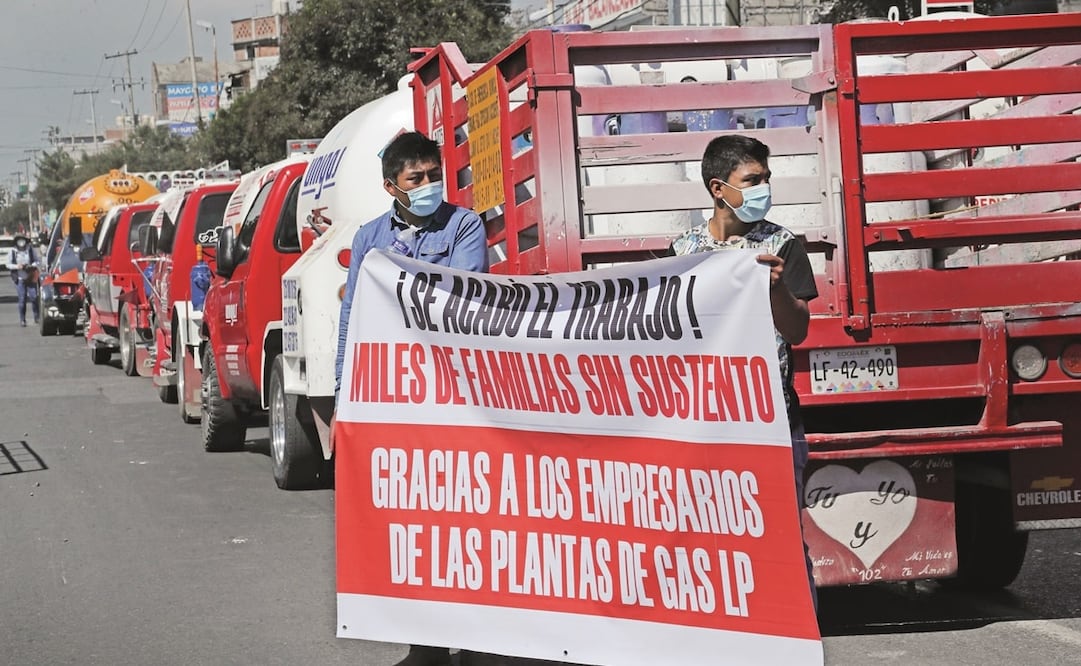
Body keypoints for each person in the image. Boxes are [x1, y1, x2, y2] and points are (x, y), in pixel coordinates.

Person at [333, 130, 489, 666]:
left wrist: (399, 277)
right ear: (390, 186)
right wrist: (341, 399)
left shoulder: (464, 225)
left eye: (432, 175)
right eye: (414, 179)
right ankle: (423, 646)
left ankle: (472, 645)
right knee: (413, 523)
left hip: (456, 396)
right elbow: (354, 315)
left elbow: (460, 296)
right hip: (394, 400)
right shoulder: (369, 238)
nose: (427, 186)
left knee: (466, 523)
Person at [667, 134, 819, 610]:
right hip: (706, 422)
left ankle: (796, 638)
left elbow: (796, 332)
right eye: (752, 180)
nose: (763, 188)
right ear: (718, 188)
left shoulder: (783, 245)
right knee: (706, 543)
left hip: (771, 418)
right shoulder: (682, 250)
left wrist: (774, 290)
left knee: (784, 542)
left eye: (766, 179)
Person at [7, 234, 41, 327]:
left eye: (23, 240)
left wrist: (31, 265)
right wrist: (17, 266)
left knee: (34, 297)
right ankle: (22, 319)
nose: (21, 242)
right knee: (22, 299)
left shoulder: (30, 250)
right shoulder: (13, 251)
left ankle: (37, 317)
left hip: (30, 277)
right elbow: (8, 264)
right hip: (19, 278)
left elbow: (37, 261)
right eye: (19, 240)